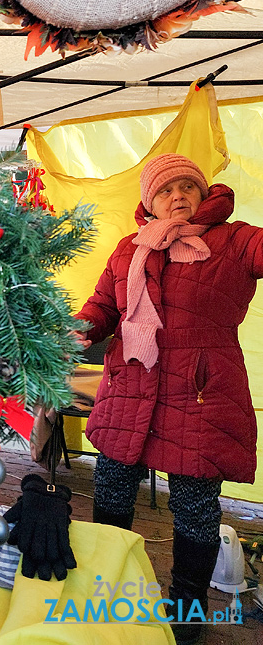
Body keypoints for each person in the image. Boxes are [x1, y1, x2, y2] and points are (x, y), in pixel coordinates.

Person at [75, 153, 263, 645]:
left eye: (187, 187)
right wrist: (69, 334)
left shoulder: (234, 239)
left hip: (200, 394)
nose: (177, 196)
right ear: (148, 203)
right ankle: (111, 590)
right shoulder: (127, 249)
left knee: (195, 508)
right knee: (112, 489)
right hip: (129, 389)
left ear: (203, 194)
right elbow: (101, 308)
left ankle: (187, 614)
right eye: (165, 190)